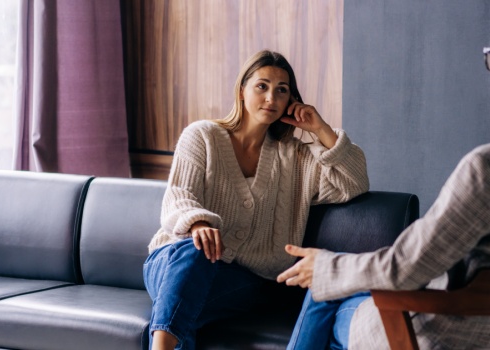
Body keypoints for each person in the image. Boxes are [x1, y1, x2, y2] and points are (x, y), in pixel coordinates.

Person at [277, 2, 490, 349]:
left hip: (437, 336)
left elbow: (405, 267)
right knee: (335, 283)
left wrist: (326, 267)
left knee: (323, 295)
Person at [143, 50, 369, 350]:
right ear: (242, 90)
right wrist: (198, 224)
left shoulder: (295, 157)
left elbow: (354, 182)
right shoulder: (202, 136)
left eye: (282, 90)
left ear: (291, 100)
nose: (271, 98)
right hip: (173, 261)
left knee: (186, 305)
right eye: (262, 86)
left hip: (243, 281)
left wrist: (320, 129)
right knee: (195, 253)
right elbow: (179, 195)